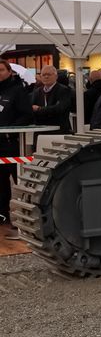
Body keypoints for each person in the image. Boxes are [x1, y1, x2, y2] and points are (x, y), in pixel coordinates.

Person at [0, 59, 31, 227]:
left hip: (12, 143)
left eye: (1, 70)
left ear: (9, 72)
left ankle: (24, 216)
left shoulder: (18, 91)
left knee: (18, 179)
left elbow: (26, 115)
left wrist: (10, 128)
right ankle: (2, 213)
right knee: (0, 182)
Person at [31, 64, 73, 133]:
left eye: (49, 74)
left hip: (59, 131)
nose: (46, 77)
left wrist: (39, 109)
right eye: (44, 75)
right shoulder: (37, 92)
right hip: (41, 131)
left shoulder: (64, 90)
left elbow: (59, 109)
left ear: (56, 76)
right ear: (40, 77)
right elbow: (32, 109)